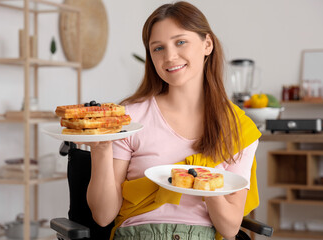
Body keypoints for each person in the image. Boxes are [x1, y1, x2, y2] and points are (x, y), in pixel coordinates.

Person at [85, 1, 261, 240]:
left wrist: (203, 181)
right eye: (158, 48)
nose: (169, 56)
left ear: (207, 44)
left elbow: (229, 228)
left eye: (180, 42)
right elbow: (103, 216)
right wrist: (101, 150)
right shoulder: (129, 118)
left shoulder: (237, 128)